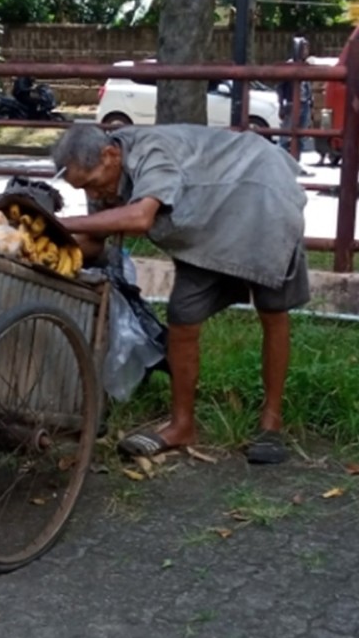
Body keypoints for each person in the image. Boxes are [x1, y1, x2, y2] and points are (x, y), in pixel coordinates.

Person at [52, 121, 310, 464]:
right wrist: (35, 240)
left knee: (272, 311)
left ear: (110, 155)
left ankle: (271, 421)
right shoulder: (103, 178)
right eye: (83, 189)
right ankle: (182, 425)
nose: (93, 196)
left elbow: (141, 218)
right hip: (203, 226)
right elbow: (95, 239)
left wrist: (59, 224)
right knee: (182, 316)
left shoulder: (150, 151)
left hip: (259, 192)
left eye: (93, 185)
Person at [276, 35, 313, 164]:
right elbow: (280, 86)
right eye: (304, 49)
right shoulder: (289, 65)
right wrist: (282, 104)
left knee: (301, 137)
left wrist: (310, 101)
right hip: (292, 103)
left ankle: (295, 164)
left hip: (305, 104)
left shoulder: (306, 65)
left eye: (307, 49)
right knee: (286, 136)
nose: (306, 52)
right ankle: (281, 163)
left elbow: (307, 85)